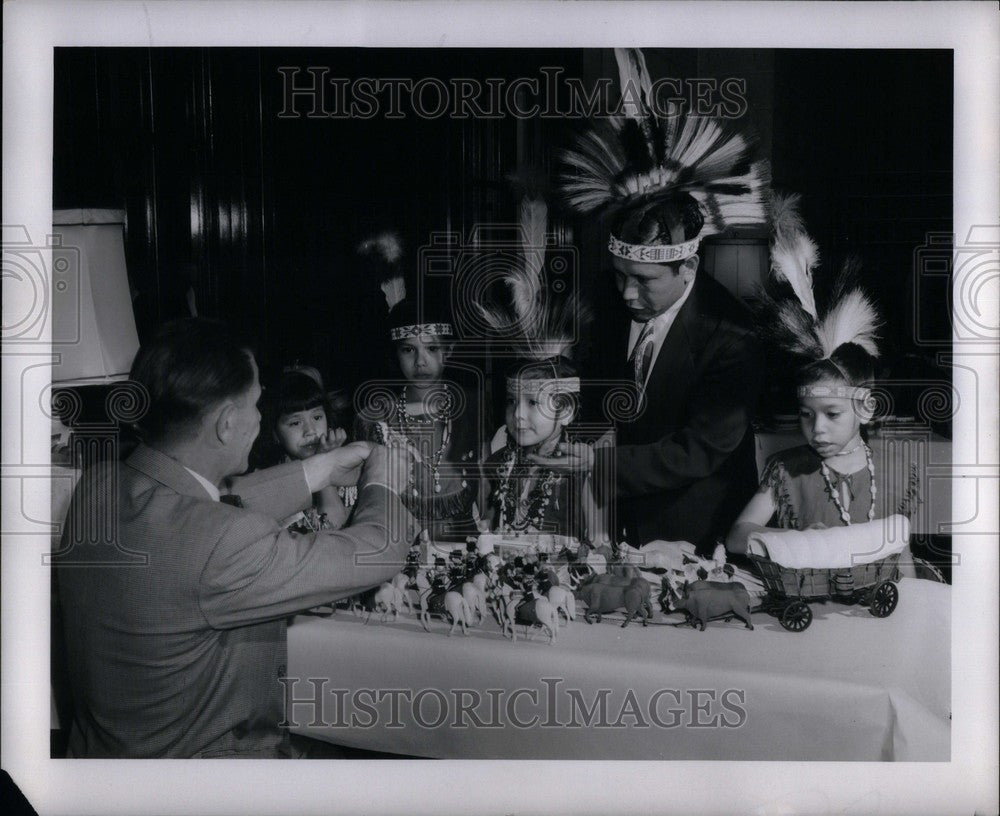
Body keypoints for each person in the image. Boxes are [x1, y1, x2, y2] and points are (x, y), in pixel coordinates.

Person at [55, 318, 419, 758]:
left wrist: (320, 469)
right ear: (228, 424)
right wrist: (382, 484)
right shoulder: (222, 543)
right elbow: (377, 551)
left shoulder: (100, 485)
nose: (261, 416)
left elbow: (197, 504)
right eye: (257, 403)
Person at [549, 103, 770, 555]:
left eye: (644, 281)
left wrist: (601, 463)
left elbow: (700, 450)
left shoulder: (734, 335)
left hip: (700, 536)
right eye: (619, 275)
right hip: (620, 526)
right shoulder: (611, 307)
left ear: (687, 266)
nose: (627, 294)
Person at [726, 195, 921, 553]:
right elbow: (738, 537)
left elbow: (901, 554)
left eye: (832, 414)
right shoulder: (787, 470)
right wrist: (800, 539)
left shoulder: (892, 472)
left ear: (866, 407)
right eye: (805, 414)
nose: (817, 429)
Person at [357, 294, 486, 543]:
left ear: (448, 351)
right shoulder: (376, 416)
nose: (420, 361)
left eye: (432, 348)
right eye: (408, 350)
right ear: (395, 354)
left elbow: (483, 478)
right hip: (399, 546)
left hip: (465, 546)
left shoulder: (470, 408)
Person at [484, 357, 602, 543]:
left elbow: (599, 545)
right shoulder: (498, 464)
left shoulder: (581, 471)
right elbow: (491, 527)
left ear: (565, 411)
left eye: (532, 402)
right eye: (511, 401)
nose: (517, 414)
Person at [252, 366, 353, 532]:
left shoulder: (350, 467)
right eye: (295, 423)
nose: (310, 430)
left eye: (317, 417)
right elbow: (331, 531)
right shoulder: (267, 481)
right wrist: (323, 463)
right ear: (275, 433)